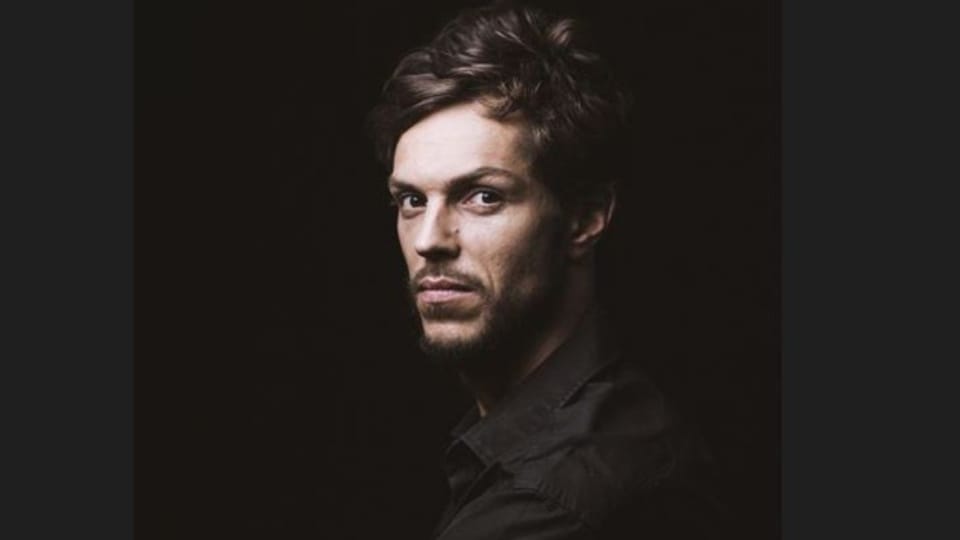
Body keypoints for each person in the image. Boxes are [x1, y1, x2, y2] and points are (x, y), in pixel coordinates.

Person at [367, 3, 729, 539]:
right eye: (412, 201)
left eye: (483, 196)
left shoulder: (552, 501)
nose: (428, 241)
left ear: (585, 218)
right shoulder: (616, 419)